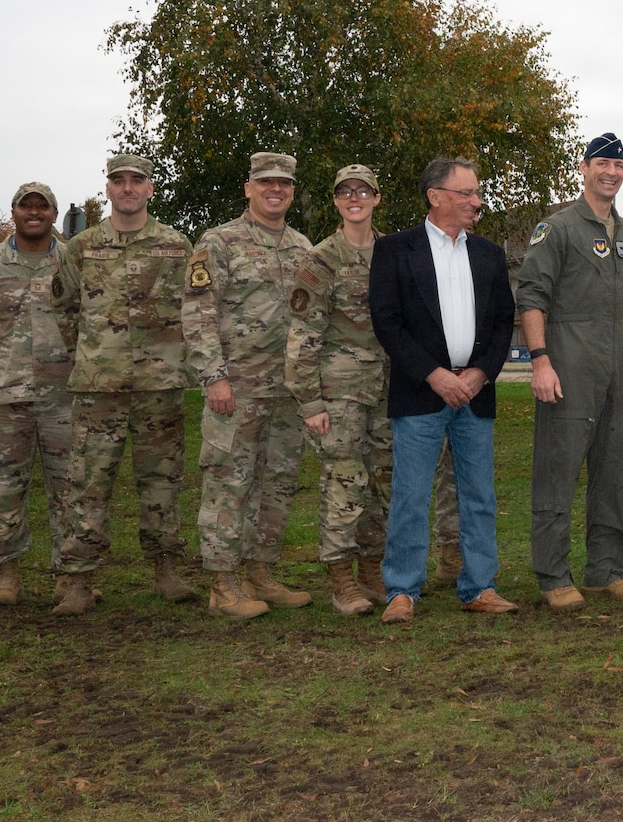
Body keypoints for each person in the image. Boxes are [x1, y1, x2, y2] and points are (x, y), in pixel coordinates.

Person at [370, 156, 518, 622]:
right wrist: (434, 375)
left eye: (477, 193)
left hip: (475, 395)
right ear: (436, 197)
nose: (478, 202)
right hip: (420, 394)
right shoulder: (395, 250)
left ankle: (479, 586)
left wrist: (479, 374)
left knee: (479, 495)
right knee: (410, 495)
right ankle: (401, 590)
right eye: (467, 193)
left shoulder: (490, 255)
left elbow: (502, 324)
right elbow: (388, 324)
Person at [52, 154, 197, 615]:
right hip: (101, 386)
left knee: (163, 480)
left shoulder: (176, 246)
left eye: (138, 180)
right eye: (119, 181)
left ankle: (166, 569)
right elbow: (64, 310)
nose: (129, 188)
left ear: (151, 189)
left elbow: (194, 308)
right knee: (88, 482)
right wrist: (92, 355)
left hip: (160, 384)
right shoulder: (82, 246)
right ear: (108, 189)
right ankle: (78, 580)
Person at [516, 133, 623, 612]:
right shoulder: (557, 230)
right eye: (602, 163)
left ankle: (606, 571)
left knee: (616, 474)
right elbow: (532, 296)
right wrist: (540, 360)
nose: (610, 172)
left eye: (618, 164)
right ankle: (553, 575)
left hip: (617, 369)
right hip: (568, 367)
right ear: (583, 167)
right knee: (557, 472)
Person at [184, 151, 318, 619]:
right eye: (265, 183)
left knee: (277, 483)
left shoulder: (304, 248)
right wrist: (214, 377)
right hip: (236, 388)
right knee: (228, 482)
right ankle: (223, 585)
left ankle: (260, 572)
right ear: (249, 188)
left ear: (292, 191)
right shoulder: (219, 242)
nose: (274, 189)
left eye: (283, 183)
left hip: (287, 390)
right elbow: (198, 313)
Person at [0, 182, 80, 609]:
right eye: (27, 206)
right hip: (4, 399)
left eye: (43, 207)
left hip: (65, 397)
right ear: (14, 212)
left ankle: (70, 577)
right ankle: (6, 574)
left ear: (54, 215)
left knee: (72, 489)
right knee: (2, 490)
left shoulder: (75, 265)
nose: (35, 212)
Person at [286, 164, 392, 614]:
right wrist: (310, 402)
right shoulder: (322, 260)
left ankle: (372, 571)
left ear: (375, 198)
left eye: (362, 191)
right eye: (345, 192)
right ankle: (341, 581)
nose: (355, 198)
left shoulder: (392, 252)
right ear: (335, 200)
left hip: (389, 390)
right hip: (339, 392)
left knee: (384, 482)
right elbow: (303, 335)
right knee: (345, 484)